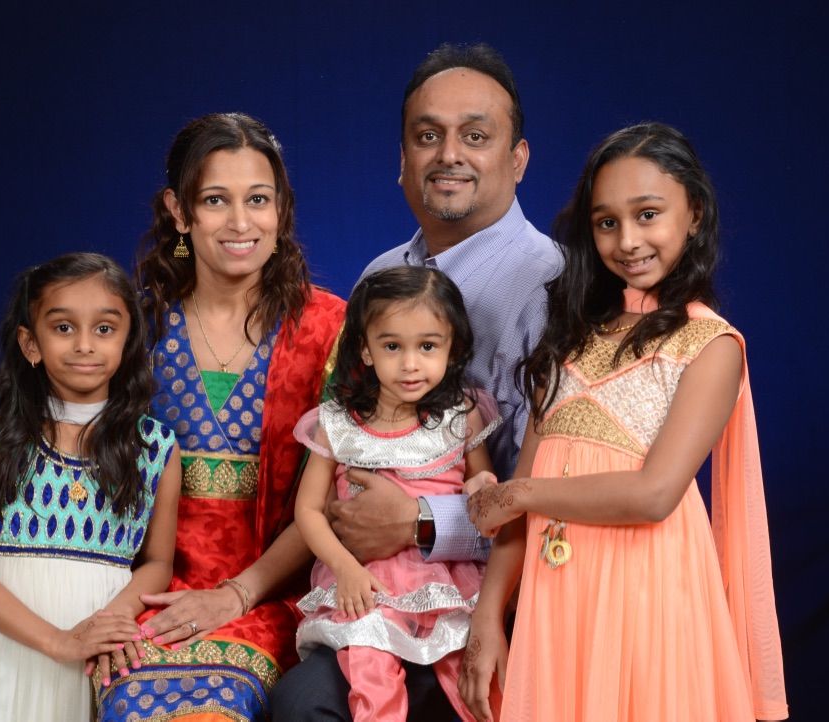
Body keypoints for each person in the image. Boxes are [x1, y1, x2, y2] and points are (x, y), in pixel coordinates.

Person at [271, 41, 561, 722]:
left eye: (475, 136)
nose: (448, 154)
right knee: (304, 706)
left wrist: (421, 522)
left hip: (500, 597)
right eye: (427, 136)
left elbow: (555, 492)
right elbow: (338, 451)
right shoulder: (379, 278)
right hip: (368, 595)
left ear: (518, 159)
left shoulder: (556, 287)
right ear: (402, 160)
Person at [459, 122, 788, 722]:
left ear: (694, 214)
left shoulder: (709, 345)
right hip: (557, 601)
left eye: (648, 215)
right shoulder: (570, 340)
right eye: (607, 222)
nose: (628, 240)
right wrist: (488, 614)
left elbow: (653, 494)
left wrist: (519, 494)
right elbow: (521, 494)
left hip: (649, 600)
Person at [94, 112, 346, 721]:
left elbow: (335, 500)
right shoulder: (136, 329)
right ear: (179, 212)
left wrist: (235, 595)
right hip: (146, 595)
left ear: (281, 209)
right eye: (215, 200)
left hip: (274, 599)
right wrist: (115, 608)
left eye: (258, 199)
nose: (240, 222)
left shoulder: (329, 331)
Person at [0, 252, 181, 721]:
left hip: (98, 642)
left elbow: (158, 562)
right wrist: (57, 641)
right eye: (63, 327)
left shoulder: (155, 448)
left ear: (128, 341)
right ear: (30, 343)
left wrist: (108, 622)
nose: (84, 345)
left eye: (104, 328)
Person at [293, 266, 500, 722]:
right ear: (366, 349)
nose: (410, 364)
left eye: (427, 346)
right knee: (370, 675)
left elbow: (482, 484)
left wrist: (482, 486)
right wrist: (345, 568)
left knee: (473, 683)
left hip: (446, 580)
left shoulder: (461, 416)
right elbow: (307, 510)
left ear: (452, 348)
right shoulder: (338, 423)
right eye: (392, 346)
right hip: (367, 583)